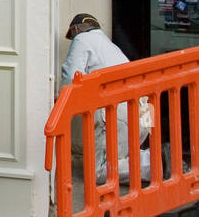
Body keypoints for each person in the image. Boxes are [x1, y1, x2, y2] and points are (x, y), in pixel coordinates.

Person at [61, 13, 152, 185]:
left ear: (76, 29)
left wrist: (61, 106)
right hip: (145, 110)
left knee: (100, 171)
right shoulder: (109, 46)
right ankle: (157, 160)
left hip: (120, 111)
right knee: (123, 158)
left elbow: (70, 77)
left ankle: (159, 162)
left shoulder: (82, 39)